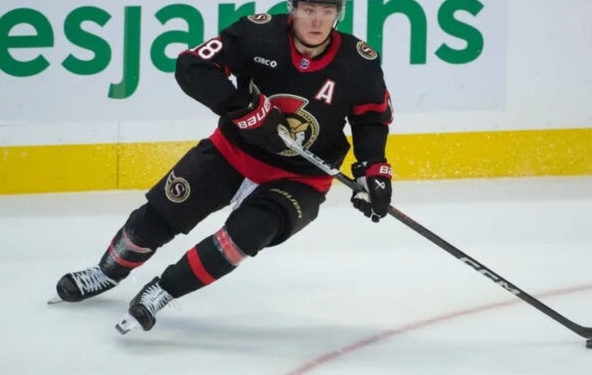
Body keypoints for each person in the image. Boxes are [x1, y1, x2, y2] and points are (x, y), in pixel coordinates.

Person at [51, 0, 394, 334]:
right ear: (292, 9)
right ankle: (107, 272)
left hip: (300, 178)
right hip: (232, 151)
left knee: (245, 236)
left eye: (326, 11)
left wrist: (373, 170)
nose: (316, 21)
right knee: (159, 215)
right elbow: (191, 66)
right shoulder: (258, 35)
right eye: (308, 10)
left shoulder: (357, 62)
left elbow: (371, 121)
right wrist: (243, 109)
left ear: (338, 14)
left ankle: (165, 290)